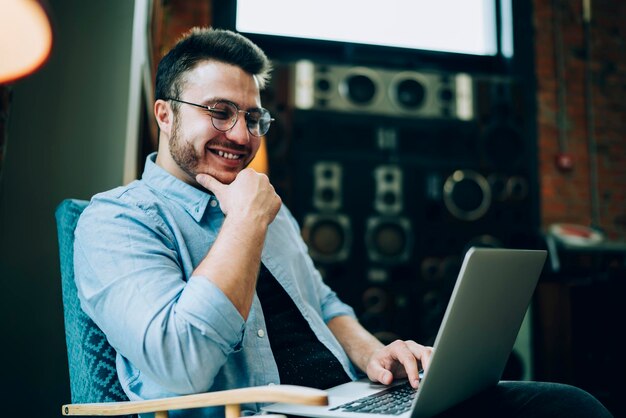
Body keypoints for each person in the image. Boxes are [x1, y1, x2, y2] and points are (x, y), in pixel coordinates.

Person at [74, 27, 612, 418]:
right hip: (266, 413)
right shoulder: (116, 220)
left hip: (353, 402)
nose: (240, 135)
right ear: (166, 113)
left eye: (253, 117)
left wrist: (375, 354)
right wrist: (244, 222)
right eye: (218, 112)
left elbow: (326, 307)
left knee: (567, 406)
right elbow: (181, 366)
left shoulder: (263, 205)